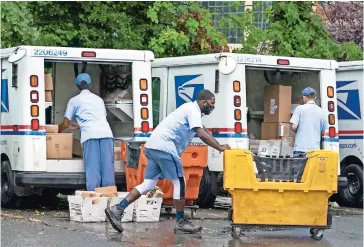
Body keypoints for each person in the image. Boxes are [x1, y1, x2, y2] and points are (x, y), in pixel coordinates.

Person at [105, 89, 231, 234]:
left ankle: (117, 209)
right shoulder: (193, 110)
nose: (213, 107)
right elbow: (201, 134)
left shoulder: (189, 109)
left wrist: (220, 145)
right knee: (180, 182)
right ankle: (180, 221)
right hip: (164, 147)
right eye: (211, 103)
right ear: (203, 102)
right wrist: (220, 148)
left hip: (152, 146)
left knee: (148, 184)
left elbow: (204, 130)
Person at [58, 73, 115, 191]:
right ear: (90, 84)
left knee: (93, 168)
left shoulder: (74, 101)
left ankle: (94, 198)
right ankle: (108, 196)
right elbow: (98, 118)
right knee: (107, 168)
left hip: (90, 135)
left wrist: (55, 132)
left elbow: (65, 123)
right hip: (106, 133)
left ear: (77, 85)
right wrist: (80, 124)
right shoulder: (99, 100)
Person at [290, 87, 328, 157]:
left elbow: (294, 126)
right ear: (315, 97)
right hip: (315, 150)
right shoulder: (322, 111)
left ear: (304, 97)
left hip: (300, 149)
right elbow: (324, 131)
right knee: (312, 168)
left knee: (299, 168)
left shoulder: (299, 109)